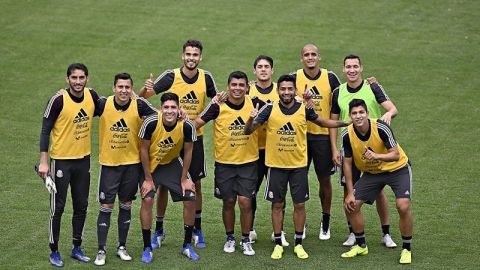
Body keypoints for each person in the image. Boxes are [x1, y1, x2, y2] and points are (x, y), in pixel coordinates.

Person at [244, 74, 349, 260]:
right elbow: (248, 131)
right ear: (278, 91)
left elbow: (323, 122)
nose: (286, 92)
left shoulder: (304, 109)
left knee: (299, 205)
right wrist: (250, 119)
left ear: (295, 90)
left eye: (289, 89)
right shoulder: (269, 108)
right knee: (277, 204)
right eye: (283, 89)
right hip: (276, 166)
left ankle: (298, 244)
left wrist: (346, 122)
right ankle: (278, 244)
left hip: (298, 166)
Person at [139, 39, 218, 249]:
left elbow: (217, 101)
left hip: (194, 138)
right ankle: (159, 229)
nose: (191, 58)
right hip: (167, 139)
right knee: (163, 184)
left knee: (194, 184)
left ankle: (197, 229)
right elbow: (142, 100)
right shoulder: (170, 76)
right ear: (183, 56)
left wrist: (198, 120)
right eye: (188, 54)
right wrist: (145, 89)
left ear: (200, 57)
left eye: (195, 55)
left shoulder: (206, 77)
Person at [330, 54, 399, 247]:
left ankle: (386, 233)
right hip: (349, 149)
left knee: (379, 191)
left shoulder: (372, 87)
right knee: (348, 190)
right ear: (343, 70)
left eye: (355, 66)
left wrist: (388, 113)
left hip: (374, 149)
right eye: (348, 67)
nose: (351, 70)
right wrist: (335, 148)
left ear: (361, 68)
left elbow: (393, 108)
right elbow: (334, 123)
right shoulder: (338, 92)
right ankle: (353, 232)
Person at [195, 71, 265, 256]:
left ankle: (245, 239)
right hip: (224, 163)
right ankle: (230, 238)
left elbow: (280, 107)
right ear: (228, 86)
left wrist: (302, 102)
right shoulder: (218, 106)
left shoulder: (256, 103)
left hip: (249, 163)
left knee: (245, 202)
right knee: (228, 201)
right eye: (234, 85)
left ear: (247, 87)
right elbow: (195, 125)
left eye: (241, 85)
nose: (237, 88)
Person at [38, 63, 100, 267]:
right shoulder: (58, 100)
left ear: (87, 79)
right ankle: (54, 250)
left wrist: (134, 97)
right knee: (58, 208)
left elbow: (111, 108)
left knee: (81, 206)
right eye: (74, 78)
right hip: (61, 162)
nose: (78, 82)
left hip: (83, 161)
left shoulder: (92, 96)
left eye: (82, 78)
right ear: (67, 79)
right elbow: (45, 130)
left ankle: (76, 247)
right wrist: (44, 162)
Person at [93, 73, 157, 266]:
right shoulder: (103, 104)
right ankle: (101, 250)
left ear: (132, 89)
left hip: (131, 165)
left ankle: (122, 246)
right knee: (106, 207)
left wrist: (179, 113)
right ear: (114, 88)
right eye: (120, 87)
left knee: (126, 205)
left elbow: (159, 117)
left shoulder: (138, 104)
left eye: (127, 87)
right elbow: (82, 105)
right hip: (110, 165)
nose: (123, 90)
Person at [341, 99, 413, 264]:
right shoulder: (347, 134)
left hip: (397, 168)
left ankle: (406, 248)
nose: (358, 116)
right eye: (354, 113)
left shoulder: (381, 127)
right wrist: (350, 192)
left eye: (361, 112)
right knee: (351, 205)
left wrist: (376, 156)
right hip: (372, 173)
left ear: (367, 113)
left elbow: (395, 154)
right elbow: (347, 163)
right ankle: (361, 245)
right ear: (350, 116)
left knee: (403, 205)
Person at [138, 93, 199, 263]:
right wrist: (148, 179)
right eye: (166, 107)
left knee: (190, 197)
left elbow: (188, 151)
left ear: (179, 109)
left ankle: (187, 245)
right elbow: (143, 150)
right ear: (160, 108)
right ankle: (147, 247)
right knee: (148, 199)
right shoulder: (151, 122)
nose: (170, 111)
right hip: (150, 166)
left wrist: (184, 178)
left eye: (173, 107)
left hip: (171, 163)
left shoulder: (187, 125)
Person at [290, 44, 341, 240]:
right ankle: (300, 221)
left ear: (319, 57)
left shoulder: (330, 77)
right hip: (300, 136)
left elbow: (340, 101)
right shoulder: (295, 77)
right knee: (298, 178)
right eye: (306, 55)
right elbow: (283, 98)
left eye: (313, 54)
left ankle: (325, 219)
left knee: (324, 180)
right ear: (301, 58)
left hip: (322, 138)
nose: (310, 58)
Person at [247, 55, 291, 246]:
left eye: (267, 67)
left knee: (279, 192)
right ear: (254, 71)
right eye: (260, 67)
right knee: (250, 191)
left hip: (276, 151)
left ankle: (278, 232)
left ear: (272, 71)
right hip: (253, 151)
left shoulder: (280, 90)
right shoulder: (247, 90)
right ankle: (249, 230)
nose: (263, 70)